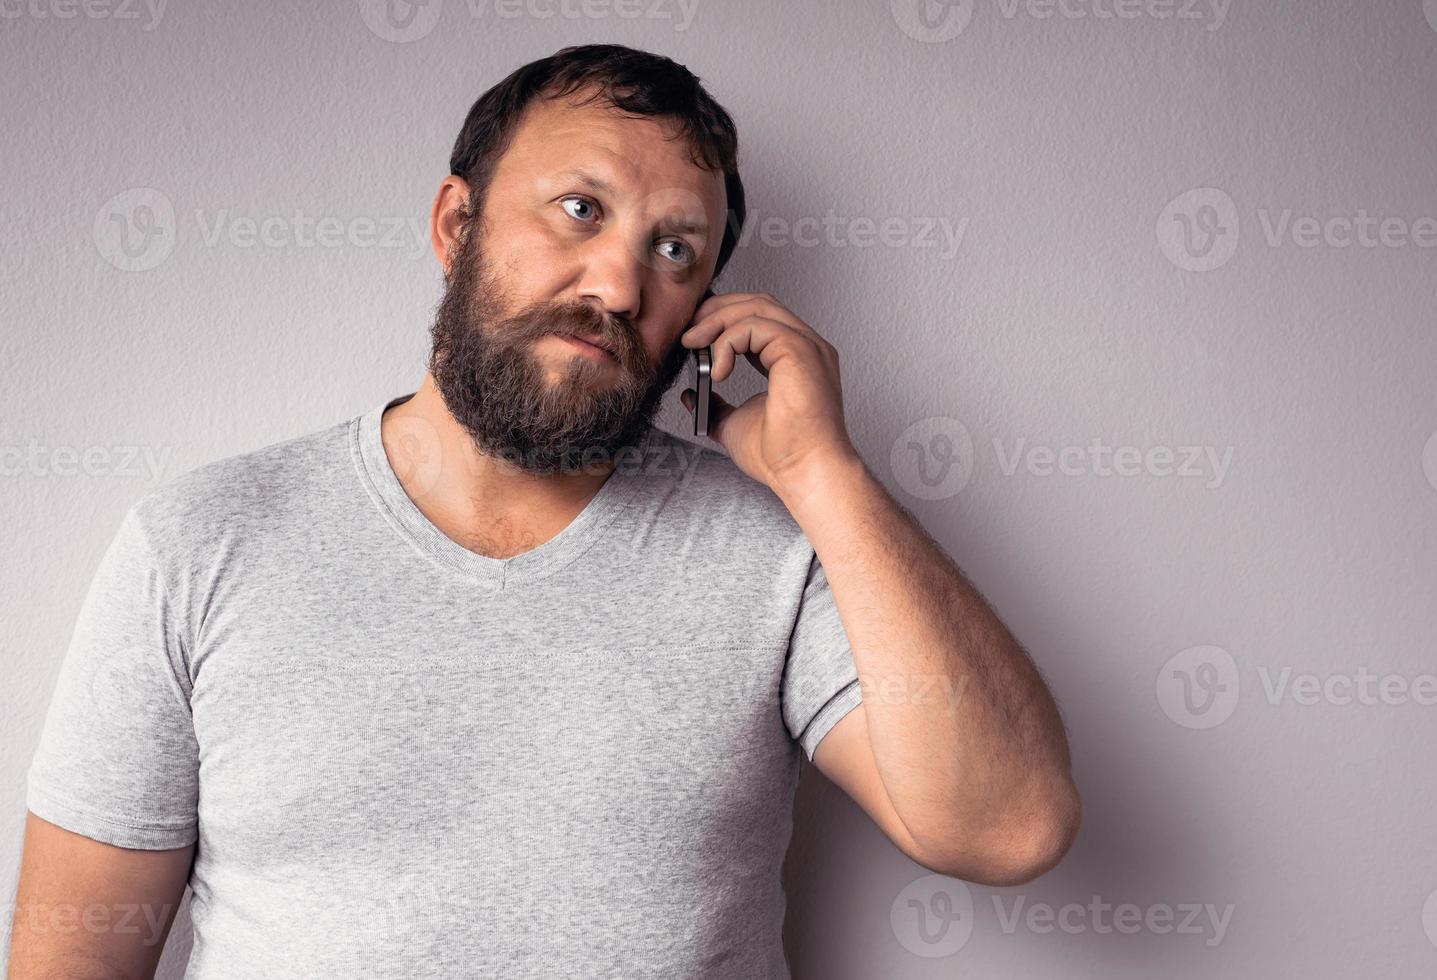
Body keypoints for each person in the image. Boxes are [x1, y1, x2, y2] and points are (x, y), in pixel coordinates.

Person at [9, 43, 1080, 979]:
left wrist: (824, 476)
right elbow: (74, 953)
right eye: (581, 209)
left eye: (674, 250)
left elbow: (1008, 826)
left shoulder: (777, 547)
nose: (617, 282)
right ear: (454, 222)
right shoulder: (201, 540)